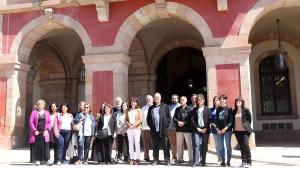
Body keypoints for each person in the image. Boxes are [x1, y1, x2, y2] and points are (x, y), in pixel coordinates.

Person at [147, 92, 171, 166]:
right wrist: (151, 127)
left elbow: (169, 118)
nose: (156, 98)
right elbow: (148, 119)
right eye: (155, 97)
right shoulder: (151, 108)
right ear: (154, 99)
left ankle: (167, 160)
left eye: (158, 97)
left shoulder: (165, 106)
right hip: (154, 130)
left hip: (163, 130)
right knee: (155, 146)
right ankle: (155, 159)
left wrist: (165, 126)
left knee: (165, 145)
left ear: (160, 98)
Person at [29, 99, 51, 165]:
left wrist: (47, 130)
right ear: (37, 105)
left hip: (44, 131)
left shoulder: (47, 112)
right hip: (36, 131)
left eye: (41, 104)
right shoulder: (34, 112)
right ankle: (37, 160)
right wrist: (34, 130)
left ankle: (47, 160)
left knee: (46, 145)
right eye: (39, 104)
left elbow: (49, 122)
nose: (40, 105)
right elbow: (31, 122)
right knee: (38, 146)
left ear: (44, 105)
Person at [232, 97, 253, 168]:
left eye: (239, 101)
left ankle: (249, 161)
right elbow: (233, 121)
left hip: (245, 131)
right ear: (235, 103)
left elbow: (250, 120)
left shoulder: (246, 110)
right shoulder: (234, 111)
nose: (238, 102)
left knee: (245, 145)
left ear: (242, 102)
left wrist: (246, 126)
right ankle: (243, 161)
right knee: (241, 146)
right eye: (237, 101)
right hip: (237, 131)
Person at [191, 94, 211, 167]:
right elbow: (192, 120)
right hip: (196, 129)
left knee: (204, 145)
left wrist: (205, 128)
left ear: (203, 100)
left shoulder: (207, 109)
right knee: (196, 144)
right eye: (198, 99)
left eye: (201, 99)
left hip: (205, 129)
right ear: (197, 101)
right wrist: (197, 128)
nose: (200, 101)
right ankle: (195, 161)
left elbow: (209, 119)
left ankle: (203, 161)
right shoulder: (194, 109)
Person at [173, 96, 193, 165]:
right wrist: (178, 122)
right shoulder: (177, 109)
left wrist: (184, 123)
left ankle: (191, 159)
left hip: (187, 130)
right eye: (181, 100)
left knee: (189, 145)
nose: (182, 101)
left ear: (186, 101)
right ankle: (179, 159)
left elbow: (191, 119)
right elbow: (174, 118)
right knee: (179, 145)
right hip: (179, 130)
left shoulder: (190, 109)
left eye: (183, 100)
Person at [214, 94, 233, 167]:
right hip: (219, 130)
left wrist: (225, 129)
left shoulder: (229, 109)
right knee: (221, 146)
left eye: (223, 99)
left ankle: (228, 161)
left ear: (226, 100)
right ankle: (223, 161)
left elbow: (231, 121)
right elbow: (217, 120)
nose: (222, 100)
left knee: (228, 145)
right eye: (220, 99)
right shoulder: (218, 109)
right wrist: (217, 129)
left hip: (227, 130)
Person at [126, 97, 142, 165]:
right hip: (129, 129)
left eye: (134, 102)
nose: (133, 103)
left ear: (136, 103)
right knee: (130, 144)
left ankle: (137, 159)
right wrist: (130, 125)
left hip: (137, 128)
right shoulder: (128, 110)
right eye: (132, 102)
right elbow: (126, 120)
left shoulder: (139, 110)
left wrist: (134, 125)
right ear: (130, 103)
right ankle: (131, 159)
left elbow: (140, 120)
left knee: (137, 143)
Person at [168, 94, 180, 163]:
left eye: (175, 98)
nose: (174, 99)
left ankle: (180, 157)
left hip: (179, 128)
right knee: (172, 143)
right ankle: (174, 157)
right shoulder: (169, 107)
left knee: (179, 143)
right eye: (173, 98)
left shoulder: (180, 106)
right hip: (170, 127)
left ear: (177, 99)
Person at [210, 96, 222, 165]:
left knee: (222, 145)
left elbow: (223, 120)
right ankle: (219, 159)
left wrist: (220, 128)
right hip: (214, 130)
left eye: (217, 100)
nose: (215, 101)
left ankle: (224, 159)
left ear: (219, 101)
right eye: (214, 100)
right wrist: (216, 127)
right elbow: (210, 120)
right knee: (217, 145)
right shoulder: (211, 110)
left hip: (221, 130)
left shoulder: (222, 109)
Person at [141, 95, 153, 162]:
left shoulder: (154, 107)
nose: (148, 100)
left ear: (152, 100)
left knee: (154, 143)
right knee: (146, 144)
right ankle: (146, 157)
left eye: (149, 99)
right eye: (147, 99)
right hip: (145, 128)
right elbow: (141, 119)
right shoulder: (143, 108)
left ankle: (155, 157)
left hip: (152, 129)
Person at [113, 97, 123, 162]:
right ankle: (117, 155)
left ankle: (120, 155)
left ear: (121, 102)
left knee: (120, 143)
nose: (118, 102)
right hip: (114, 129)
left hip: (121, 129)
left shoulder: (123, 109)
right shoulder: (113, 110)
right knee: (116, 143)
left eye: (119, 101)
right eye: (116, 101)